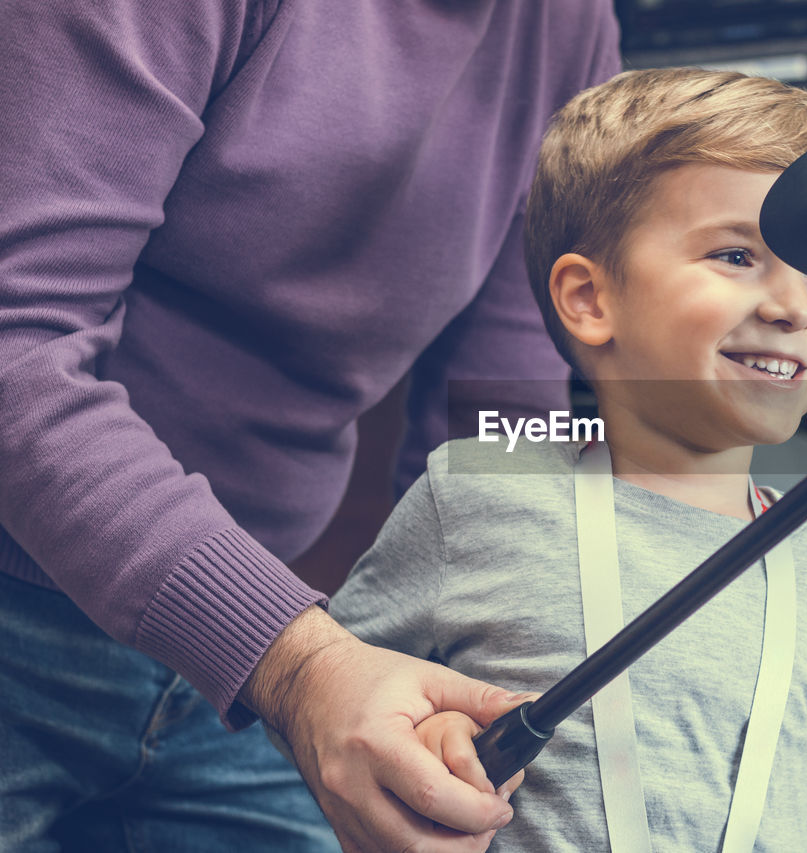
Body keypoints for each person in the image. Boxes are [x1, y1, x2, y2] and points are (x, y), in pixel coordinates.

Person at [0, 1, 620, 850]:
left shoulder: (568, 23)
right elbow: (15, 353)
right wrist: (297, 664)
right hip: (94, 616)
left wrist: (529, 641)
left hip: (235, 656)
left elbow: (500, 409)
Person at [331, 68, 807, 852]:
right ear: (589, 299)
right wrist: (418, 745)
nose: (792, 306)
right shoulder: (472, 494)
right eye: (738, 256)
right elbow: (332, 722)